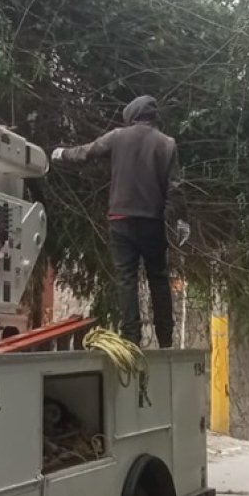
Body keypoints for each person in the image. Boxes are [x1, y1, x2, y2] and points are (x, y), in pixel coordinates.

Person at [50, 95, 189, 348]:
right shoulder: (167, 144)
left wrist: (61, 154)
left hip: (121, 220)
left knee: (126, 278)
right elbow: (175, 187)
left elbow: (87, 152)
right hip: (152, 222)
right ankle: (166, 339)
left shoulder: (117, 137)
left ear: (132, 114)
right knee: (158, 277)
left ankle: (131, 338)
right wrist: (180, 219)